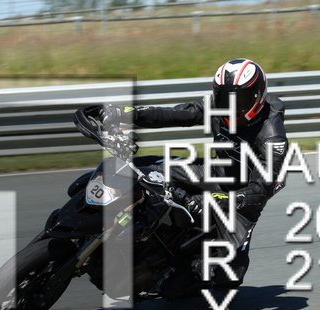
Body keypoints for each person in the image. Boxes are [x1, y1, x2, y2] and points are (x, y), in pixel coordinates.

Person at [100, 58, 288, 296]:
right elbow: (177, 113)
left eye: (238, 99)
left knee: (227, 277)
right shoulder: (217, 106)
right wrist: (130, 114)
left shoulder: (272, 137)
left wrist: (218, 200)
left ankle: (189, 266)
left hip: (241, 199)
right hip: (214, 172)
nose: (229, 106)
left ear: (257, 96)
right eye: (224, 98)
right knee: (144, 170)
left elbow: (260, 191)